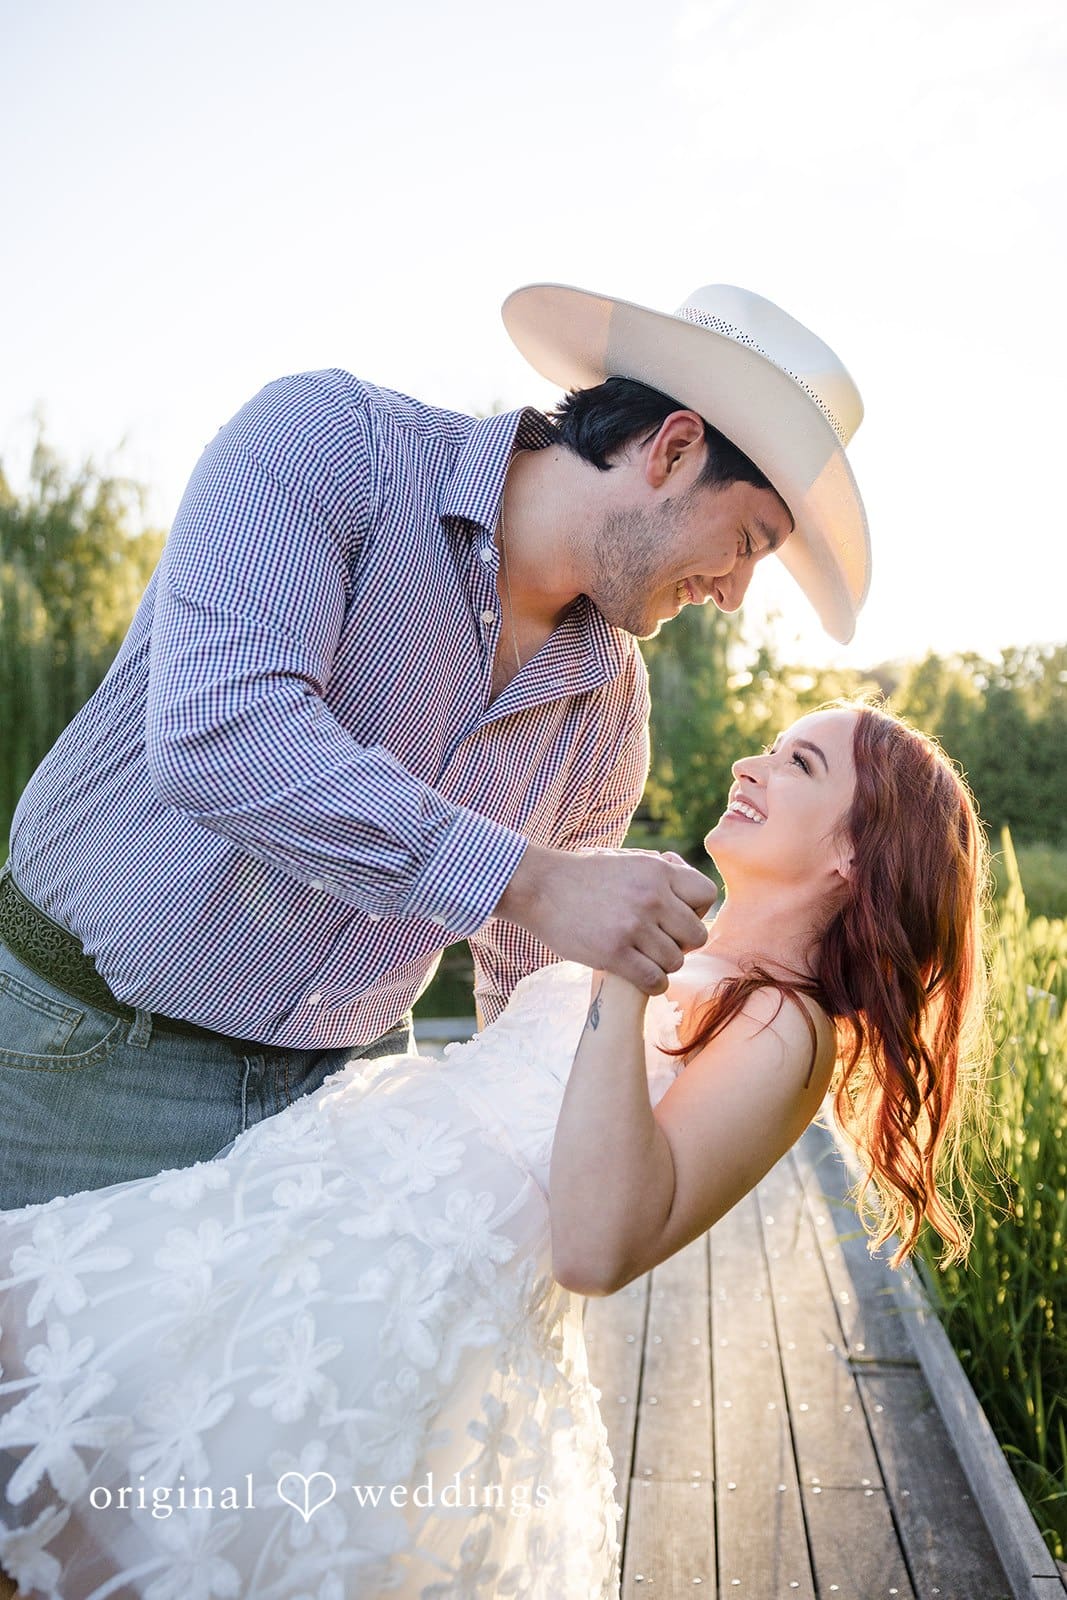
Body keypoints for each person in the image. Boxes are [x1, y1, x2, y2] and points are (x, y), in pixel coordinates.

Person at [0, 701, 991, 1600]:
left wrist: (621, 972)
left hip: (384, 1324)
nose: (746, 763)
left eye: (796, 763)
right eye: (768, 748)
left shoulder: (783, 1027)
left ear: (850, 856)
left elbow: (596, 1245)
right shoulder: (699, 951)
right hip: (304, 1223)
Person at [0, 281, 872, 1208]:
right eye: (744, 541)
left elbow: (527, 994)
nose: (733, 592)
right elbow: (225, 734)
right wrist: (527, 880)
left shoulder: (610, 706)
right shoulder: (327, 441)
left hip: (342, 1109)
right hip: (80, 1055)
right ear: (674, 448)